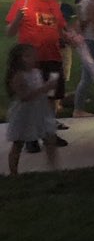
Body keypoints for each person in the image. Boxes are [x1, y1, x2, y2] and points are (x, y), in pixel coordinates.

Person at [6, 0, 71, 152]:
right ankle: (30, 137)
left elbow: (60, 29)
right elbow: (10, 33)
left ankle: (48, 133)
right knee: (33, 99)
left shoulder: (53, 5)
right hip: (32, 62)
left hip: (53, 57)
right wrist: (18, 18)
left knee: (51, 98)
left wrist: (70, 37)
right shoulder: (21, 4)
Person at [5, 44, 60, 175]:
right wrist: (45, 88)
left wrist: (49, 90)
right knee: (18, 143)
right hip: (24, 113)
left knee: (49, 138)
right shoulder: (18, 76)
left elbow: (42, 91)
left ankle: (53, 168)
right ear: (19, 59)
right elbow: (24, 97)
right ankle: (14, 173)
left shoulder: (37, 72)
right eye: (28, 56)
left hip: (39, 111)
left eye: (33, 55)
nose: (33, 58)